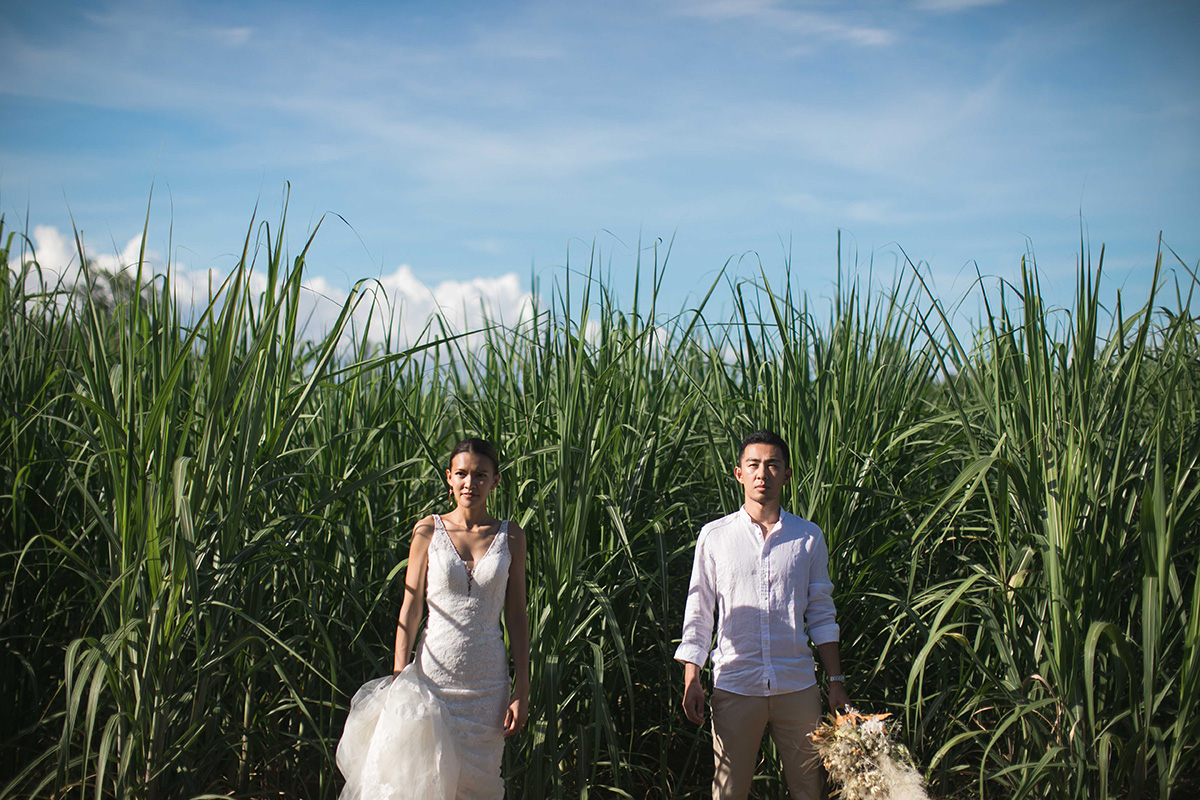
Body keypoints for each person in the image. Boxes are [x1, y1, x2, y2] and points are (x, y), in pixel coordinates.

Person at [337, 438, 529, 800]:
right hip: (432, 681)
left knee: (476, 786)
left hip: (487, 689)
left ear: (495, 481)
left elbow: (517, 616)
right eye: (462, 474)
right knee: (422, 783)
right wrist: (398, 676)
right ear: (449, 478)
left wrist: (522, 689)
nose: (470, 483)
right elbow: (409, 609)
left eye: (480, 475)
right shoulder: (428, 530)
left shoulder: (511, 536)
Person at [675, 430, 849, 800]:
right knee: (729, 792)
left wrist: (835, 680)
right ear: (739, 473)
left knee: (809, 790)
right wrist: (692, 677)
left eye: (773, 465)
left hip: (797, 685)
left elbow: (821, 612)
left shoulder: (808, 537)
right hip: (735, 685)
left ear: (787, 474)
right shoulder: (715, 537)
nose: (762, 474)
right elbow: (700, 610)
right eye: (753, 465)